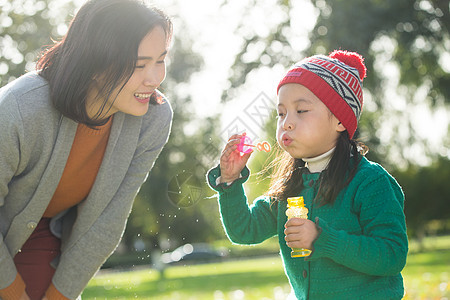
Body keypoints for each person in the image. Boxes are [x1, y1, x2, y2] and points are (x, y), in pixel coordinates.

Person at [0, 0, 173, 299]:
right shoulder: (18, 110)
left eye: (160, 60)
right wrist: (12, 291)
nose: (154, 78)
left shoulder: (153, 118)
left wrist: (60, 295)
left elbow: (108, 219)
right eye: (138, 65)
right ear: (94, 62)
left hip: (46, 233)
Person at [207, 50, 408, 299]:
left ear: (340, 120)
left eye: (301, 111)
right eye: (281, 113)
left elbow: (392, 254)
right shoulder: (290, 186)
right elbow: (244, 230)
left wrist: (322, 239)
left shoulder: (369, 181)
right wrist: (230, 181)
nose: (287, 123)